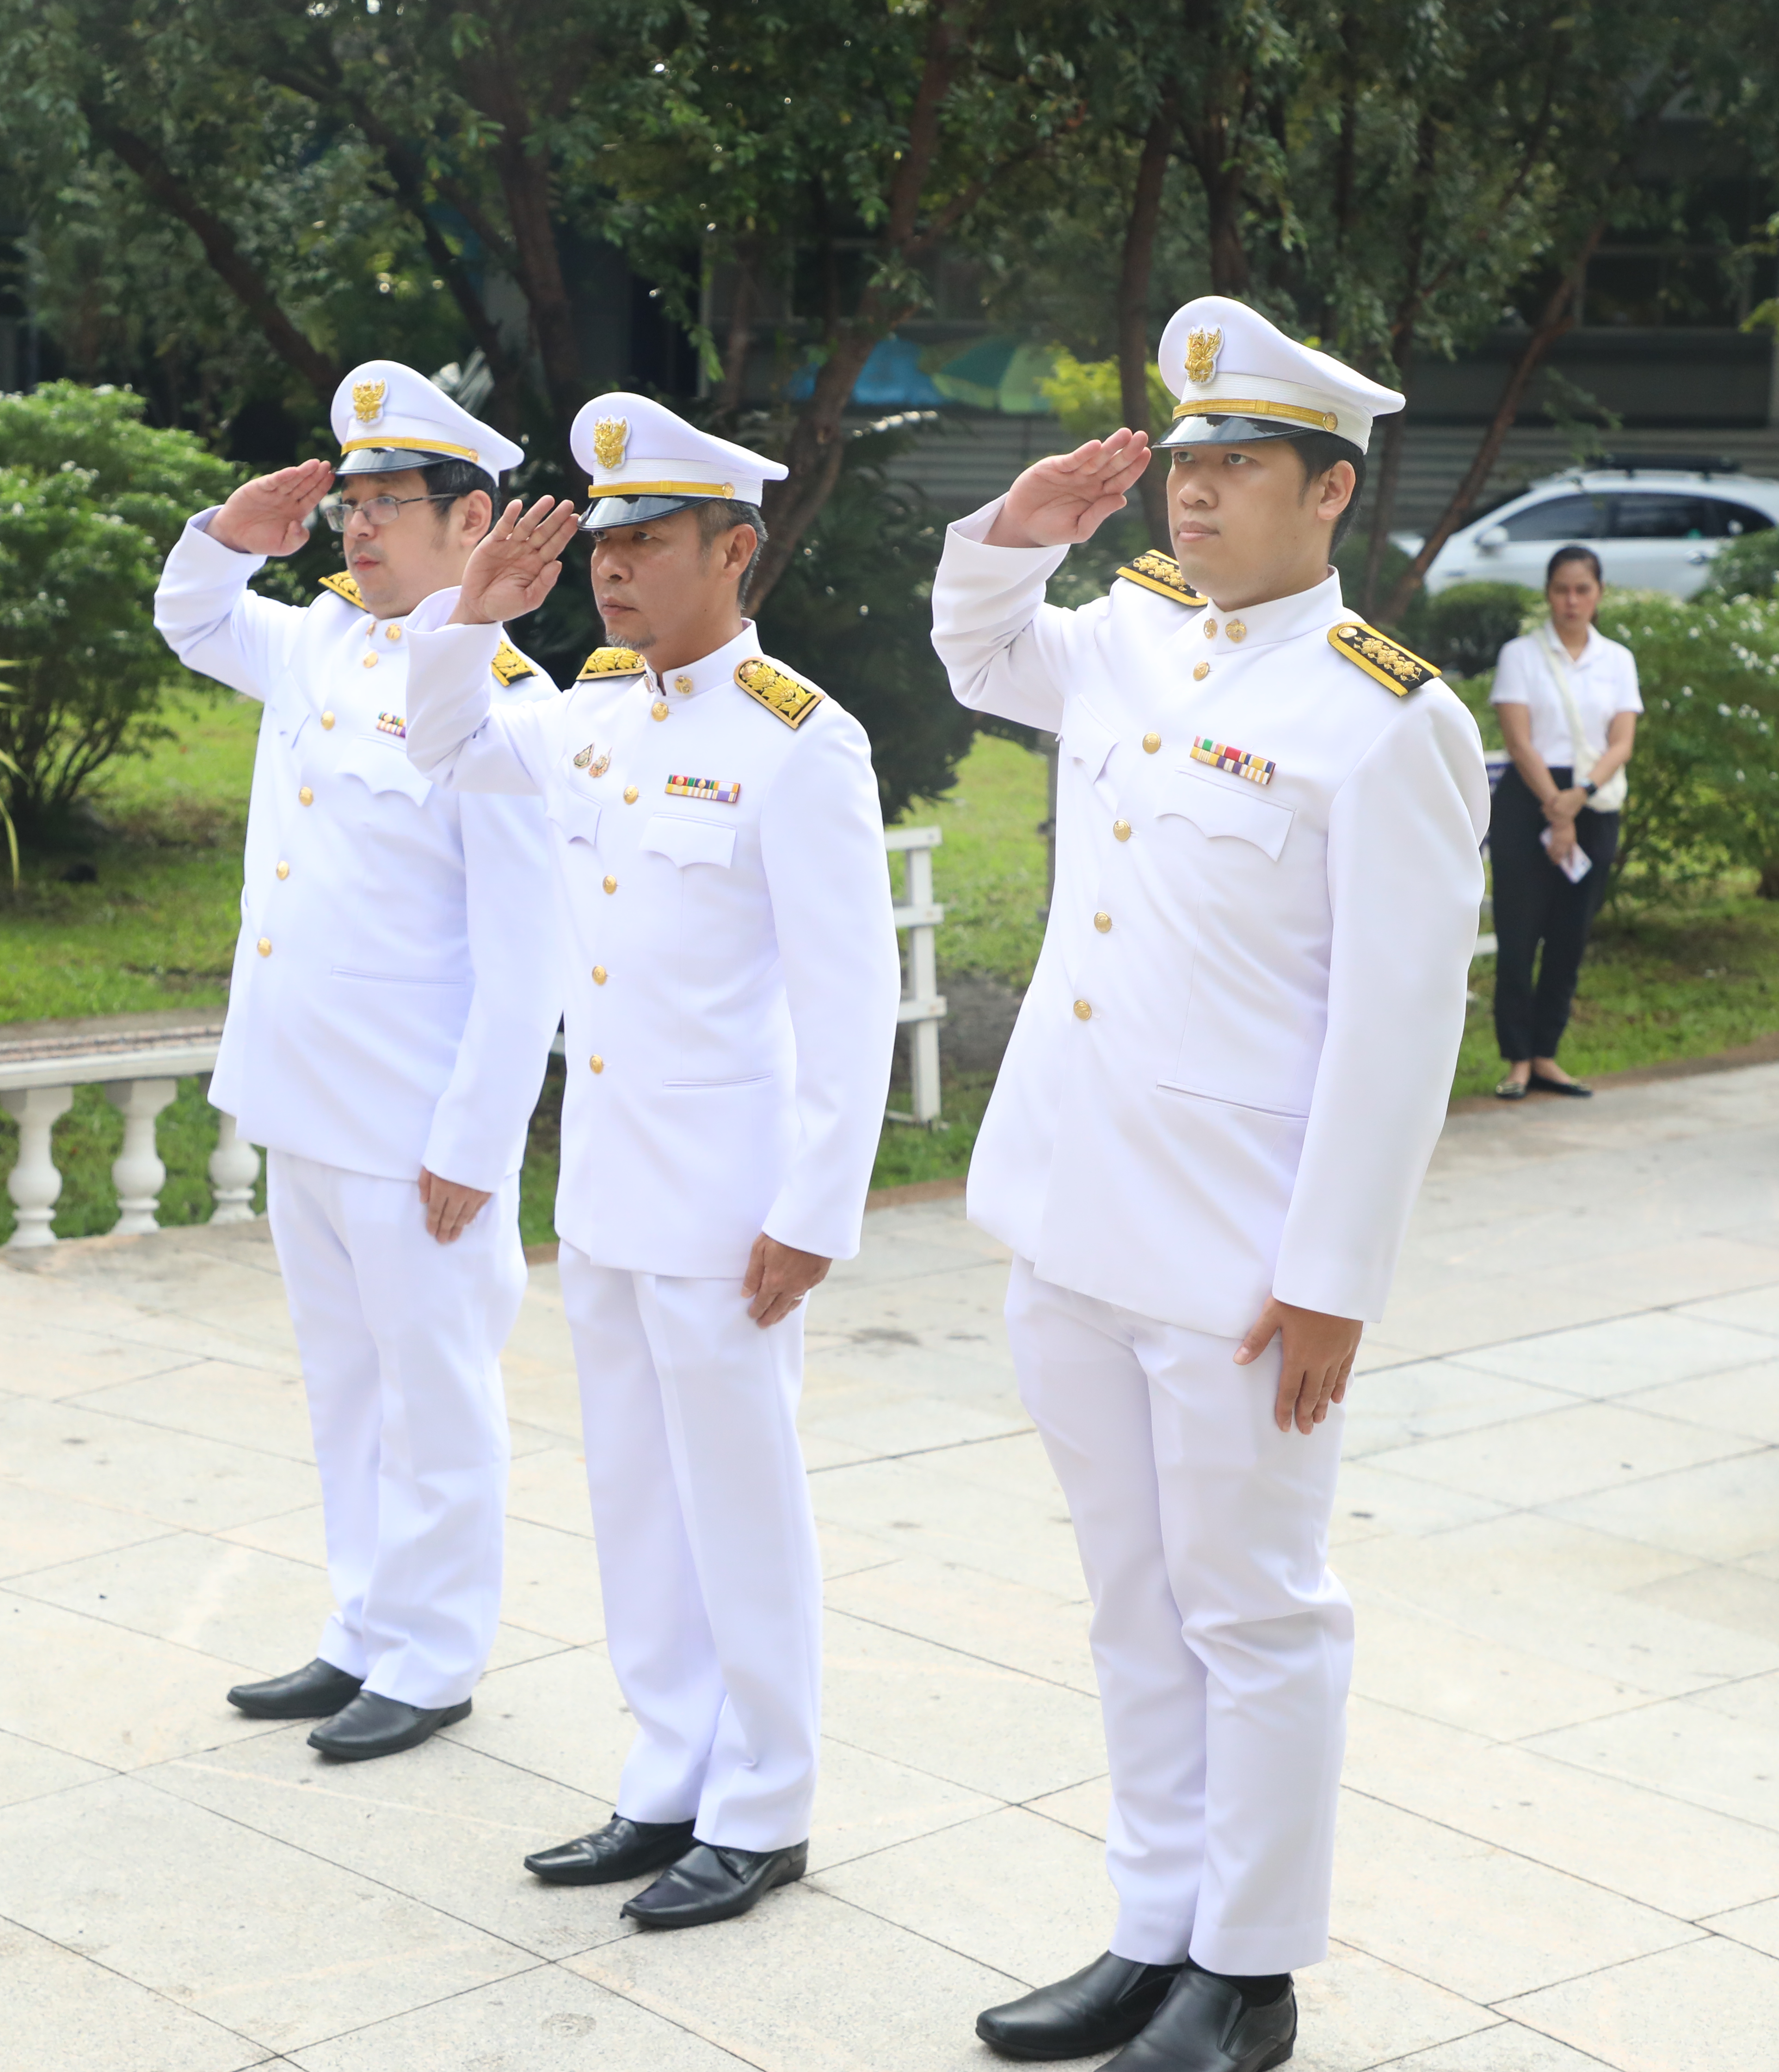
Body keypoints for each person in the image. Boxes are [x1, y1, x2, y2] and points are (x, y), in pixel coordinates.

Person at [928, 297, 1487, 2071]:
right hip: (1073, 1217)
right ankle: (1149, 1925)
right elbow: (979, 658)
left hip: (1244, 1258)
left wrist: (1336, 1277)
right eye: (1186, 464)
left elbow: (1398, 1035)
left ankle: (1246, 1974)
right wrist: (1016, 536)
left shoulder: (1384, 721)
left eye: (1240, 465)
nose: (1197, 494)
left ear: (1329, 493)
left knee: (1254, 1607)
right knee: (1130, 1599)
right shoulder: (1130, 642)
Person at [401, 394, 898, 1929]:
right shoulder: (595, 716)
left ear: (734, 549)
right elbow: (446, 746)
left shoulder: (802, 745)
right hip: (612, 1195)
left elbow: (848, 1000)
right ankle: (667, 1774)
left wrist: (815, 1208)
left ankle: (762, 1807)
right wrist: (463, 619)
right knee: (635, 1497)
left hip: (730, 1203)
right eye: (604, 543)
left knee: (739, 1508)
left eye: (649, 542)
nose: (614, 570)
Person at [151, 361, 566, 1762]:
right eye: (354, 506)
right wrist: (228, 533)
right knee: (346, 1382)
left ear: (475, 523)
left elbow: (526, 953)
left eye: (394, 505)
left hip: (412, 1120)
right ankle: (363, 1625)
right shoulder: (318, 642)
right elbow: (188, 618)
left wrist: (476, 1139)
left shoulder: (507, 700)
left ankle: (435, 1654)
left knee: (437, 1389)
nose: (362, 530)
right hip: (299, 1092)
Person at [1486, 544, 1641, 1099]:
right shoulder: (1520, 655)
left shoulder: (1618, 660)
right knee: (1519, 934)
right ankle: (1517, 1060)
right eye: (1561, 590)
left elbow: (1621, 741)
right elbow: (1518, 740)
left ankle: (1548, 1054)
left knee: (1570, 937)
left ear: (1599, 595)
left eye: (1583, 590)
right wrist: (1557, 804)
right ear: (1548, 594)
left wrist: (1579, 798)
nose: (1572, 601)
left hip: (1593, 800)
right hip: (1530, 800)